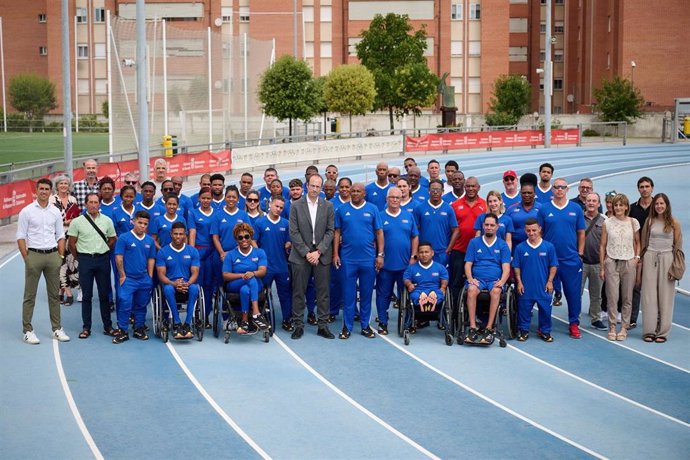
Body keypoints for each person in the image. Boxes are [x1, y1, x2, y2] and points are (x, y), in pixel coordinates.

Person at [17, 178, 69, 344]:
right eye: (41, 189)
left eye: (47, 189)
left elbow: (60, 235)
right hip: (34, 256)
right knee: (29, 296)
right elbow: (21, 236)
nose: (44, 192)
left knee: (54, 295)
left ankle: (57, 329)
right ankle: (27, 330)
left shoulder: (55, 212)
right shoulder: (26, 211)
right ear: (36, 191)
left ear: (50, 191)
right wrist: (27, 258)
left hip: (53, 256)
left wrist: (60, 257)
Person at [333, 182, 383, 339]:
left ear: (364, 193)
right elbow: (337, 233)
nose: (354, 193)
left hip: (368, 259)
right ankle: (347, 327)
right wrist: (335, 254)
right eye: (352, 191)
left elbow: (379, 233)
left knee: (367, 295)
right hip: (348, 259)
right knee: (348, 295)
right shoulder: (342, 209)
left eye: (358, 191)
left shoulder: (373, 209)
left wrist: (380, 255)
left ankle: (365, 326)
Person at [289, 173, 335, 340]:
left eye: (318, 186)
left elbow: (331, 231)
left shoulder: (328, 206)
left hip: (321, 255)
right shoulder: (296, 205)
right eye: (312, 185)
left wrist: (319, 251)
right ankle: (298, 325)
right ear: (307, 185)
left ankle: (323, 325)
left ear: (321, 188)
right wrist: (307, 253)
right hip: (301, 255)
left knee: (323, 293)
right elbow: (293, 232)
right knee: (298, 292)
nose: (315, 189)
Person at [538, 178, 586, 339]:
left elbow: (581, 232)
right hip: (549, 260)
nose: (559, 190)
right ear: (552, 189)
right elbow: (539, 233)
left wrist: (580, 253)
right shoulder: (544, 209)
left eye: (562, 187)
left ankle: (573, 324)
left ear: (567, 190)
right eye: (556, 187)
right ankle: (544, 326)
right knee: (546, 294)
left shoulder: (576, 208)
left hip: (570, 259)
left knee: (573, 294)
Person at [67, 192, 117, 339]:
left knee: (104, 295)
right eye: (91, 202)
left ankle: (108, 326)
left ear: (99, 204)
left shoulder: (107, 220)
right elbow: (71, 243)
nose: (94, 205)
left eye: (96, 202)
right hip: (85, 261)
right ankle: (86, 328)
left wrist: (104, 249)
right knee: (87, 296)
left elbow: (112, 238)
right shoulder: (77, 222)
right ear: (86, 204)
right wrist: (81, 257)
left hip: (102, 260)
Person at [376, 186, 418, 335]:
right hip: (386, 266)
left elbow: (415, 237)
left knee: (405, 295)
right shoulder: (380, 216)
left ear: (401, 199)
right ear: (387, 199)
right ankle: (382, 321)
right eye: (391, 197)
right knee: (383, 295)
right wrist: (379, 256)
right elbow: (375, 239)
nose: (394, 200)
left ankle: (407, 322)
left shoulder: (408, 216)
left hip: (405, 266)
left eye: (397, 197)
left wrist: (413, 256)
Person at [640, 193, 682, 343]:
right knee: (649, 295)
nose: (659, 206)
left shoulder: (674, 223)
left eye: (662, 204)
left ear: (667, 205)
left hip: (667, 259)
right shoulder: (649, 221)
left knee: (666, 296)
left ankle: (663, 331)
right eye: (657, 204)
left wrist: (675, 267)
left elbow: (678, 247)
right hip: (651, 257)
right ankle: (649, 330)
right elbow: (644, 243)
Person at [464, 214, 511, 344]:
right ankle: (473, 327)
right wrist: (470, 278)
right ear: (483, 226)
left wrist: (501, 281)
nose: (489, 227)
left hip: (494, 279)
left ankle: (489, 328)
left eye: (492, 225)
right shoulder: (474, 242)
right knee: (471, 290)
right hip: (478, 279)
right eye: (487, 225)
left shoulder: (502, 245)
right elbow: (468, 264)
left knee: (496, 291)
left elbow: (506, 267)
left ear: (497, 227)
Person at [599, 193, 640, 341]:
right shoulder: (607, 223)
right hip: (611, 262)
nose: (618, 207)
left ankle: (624, 327)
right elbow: (602, 245)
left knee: (627, 297)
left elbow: (637, 242)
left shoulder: (633, 222)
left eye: (621, 205)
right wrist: (603, 266)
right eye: (616, 204)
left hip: (629, 262)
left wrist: (636, 258)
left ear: (626, 206)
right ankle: (611, 327)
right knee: (612, 297)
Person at [113, 211, 156, 344]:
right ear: (133, 222)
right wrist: (122, 275)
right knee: (125, 304)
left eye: (145, 224)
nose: (142, 226)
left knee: (141, 305)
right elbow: (119, 257)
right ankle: (123, 331)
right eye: (140, 223)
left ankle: (139, 328)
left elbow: (151, 258)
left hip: (144, 279)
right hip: (128, 279)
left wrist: (149, 275)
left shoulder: (149, 240)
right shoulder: (124, 238)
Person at [512, 218, 559, 342]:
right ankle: (523, 331)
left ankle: (545, 331)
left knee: (545, 310)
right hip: (526, 287)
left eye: (534, 230)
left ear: (539, 229)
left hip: (543, 287)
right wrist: (519, 282)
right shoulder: (520, 248)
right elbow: (516, 266)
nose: (531, 233)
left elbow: (553, 265)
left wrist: (550, 281)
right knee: (524, 310)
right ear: (525, 231)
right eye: (528, 231)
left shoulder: (548, 247)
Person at [156, 222, 201, 340]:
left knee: (194, 288)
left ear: (185, 235)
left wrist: (188, 283)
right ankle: (176, 323)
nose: (178, 236)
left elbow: (195, 272)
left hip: (187, 284)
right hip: (171, 284)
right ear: (171, 234)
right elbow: (161, 275)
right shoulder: (163, 252)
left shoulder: (193, 251)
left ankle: (187, 324)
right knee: (168, 289)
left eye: (181, 234)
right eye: (175, 234)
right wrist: (173, 283)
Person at [254, 196, 293, 331]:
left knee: (285, 294)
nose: (278, 209)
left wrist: (288, 243)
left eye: (281, 207)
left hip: (282, 267)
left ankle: (287, 319)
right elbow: (254, 241)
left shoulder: (286, 224)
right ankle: (262, 318)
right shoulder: (260, 223)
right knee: (263, 294)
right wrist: (259, 255)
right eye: (276, 206)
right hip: (266, 267)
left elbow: (289, 241)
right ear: (270, 205)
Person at [449, 176, 486, 298]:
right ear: (465, 187)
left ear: (478, 188)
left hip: (479, 252)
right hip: (459, 250)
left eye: (473, 186)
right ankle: (454, 313)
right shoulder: (455, 205)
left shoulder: (485, 205)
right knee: (456, 282)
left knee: (477, 283)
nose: (470, 188)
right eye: (468, 186)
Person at [188, 186, 217, 325]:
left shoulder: (216, 213)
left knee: (209, 286)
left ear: (212, 199)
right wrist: (192, 253)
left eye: (208, 198)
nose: (206, 200)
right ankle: (195, 314)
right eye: (203, 198)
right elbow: (192, 232)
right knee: (197, 284)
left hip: (212, 253)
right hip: (199, 252)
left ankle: (205, 316)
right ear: (199, 198)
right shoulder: (193, 213)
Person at [49, 174, 80, 306]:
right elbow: (49, 218)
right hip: (57, 236)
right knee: (60, 263)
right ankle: (68, 293)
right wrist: (64, 221)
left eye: (65, 183)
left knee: (70, 264)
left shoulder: (73, 199)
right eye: (61, 183)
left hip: (71, 236)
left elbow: (77, 217)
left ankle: (60, 292)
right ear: (56, 186)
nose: (63, 186)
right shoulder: (51, 200)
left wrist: (72, 222)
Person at [628, 176, 654, 329]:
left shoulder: (658, 207)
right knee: (635, 286)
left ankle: (654, 320)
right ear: (638, 189)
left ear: (652, 188)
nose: (644, 189)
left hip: (654, 251)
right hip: (636, 251)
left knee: (652, 287)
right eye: (641, 187)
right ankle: (632, 318)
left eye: (647, 186)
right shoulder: (632, 208)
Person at [413, 179, 458, 267]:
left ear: (443, 191)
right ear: (428, 191)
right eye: (433, 190)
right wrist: (417, 250)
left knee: (441, 278)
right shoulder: (419, 208)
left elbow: (456, 230)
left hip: (442, 252)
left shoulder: (448, 208)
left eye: (438, 190)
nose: (435, 192)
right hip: (424, 251)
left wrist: (448, 249)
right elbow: (415, 231)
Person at [581, 192, 608, 331]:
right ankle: (575, 318)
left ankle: (596, 318)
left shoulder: (605, 220)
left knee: (596, 294)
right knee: (577, 292)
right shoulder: (579, 218)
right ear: (585, 202)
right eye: (588, 200)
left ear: (599, 204)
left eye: (594, 201)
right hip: (581, 262)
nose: (591, 203)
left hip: (598, 263)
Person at [403, 241, 448, 315]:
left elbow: (444, 278)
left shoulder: (440, 267)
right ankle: (426, 300)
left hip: (434, 290)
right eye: (421, 252)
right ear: (418, 254)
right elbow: (406, 278)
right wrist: (409, 284)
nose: (424, 255)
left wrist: (443, 287)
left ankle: (429, 300)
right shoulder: (411, 268)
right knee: (415, 296)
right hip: (418, 290)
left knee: (439, 295)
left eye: (426, 252)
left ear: (432, 253)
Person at [211, 185, 251, 264]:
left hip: (240, 254)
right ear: (225, 198)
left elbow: (248, 235)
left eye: (234, 197)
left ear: (238, 199)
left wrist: (238, 251)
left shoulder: (243, 215)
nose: (231, 199)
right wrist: (222, 253)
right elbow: (215, 237)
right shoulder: (217, 215)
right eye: (229, 197)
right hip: (222, 255)